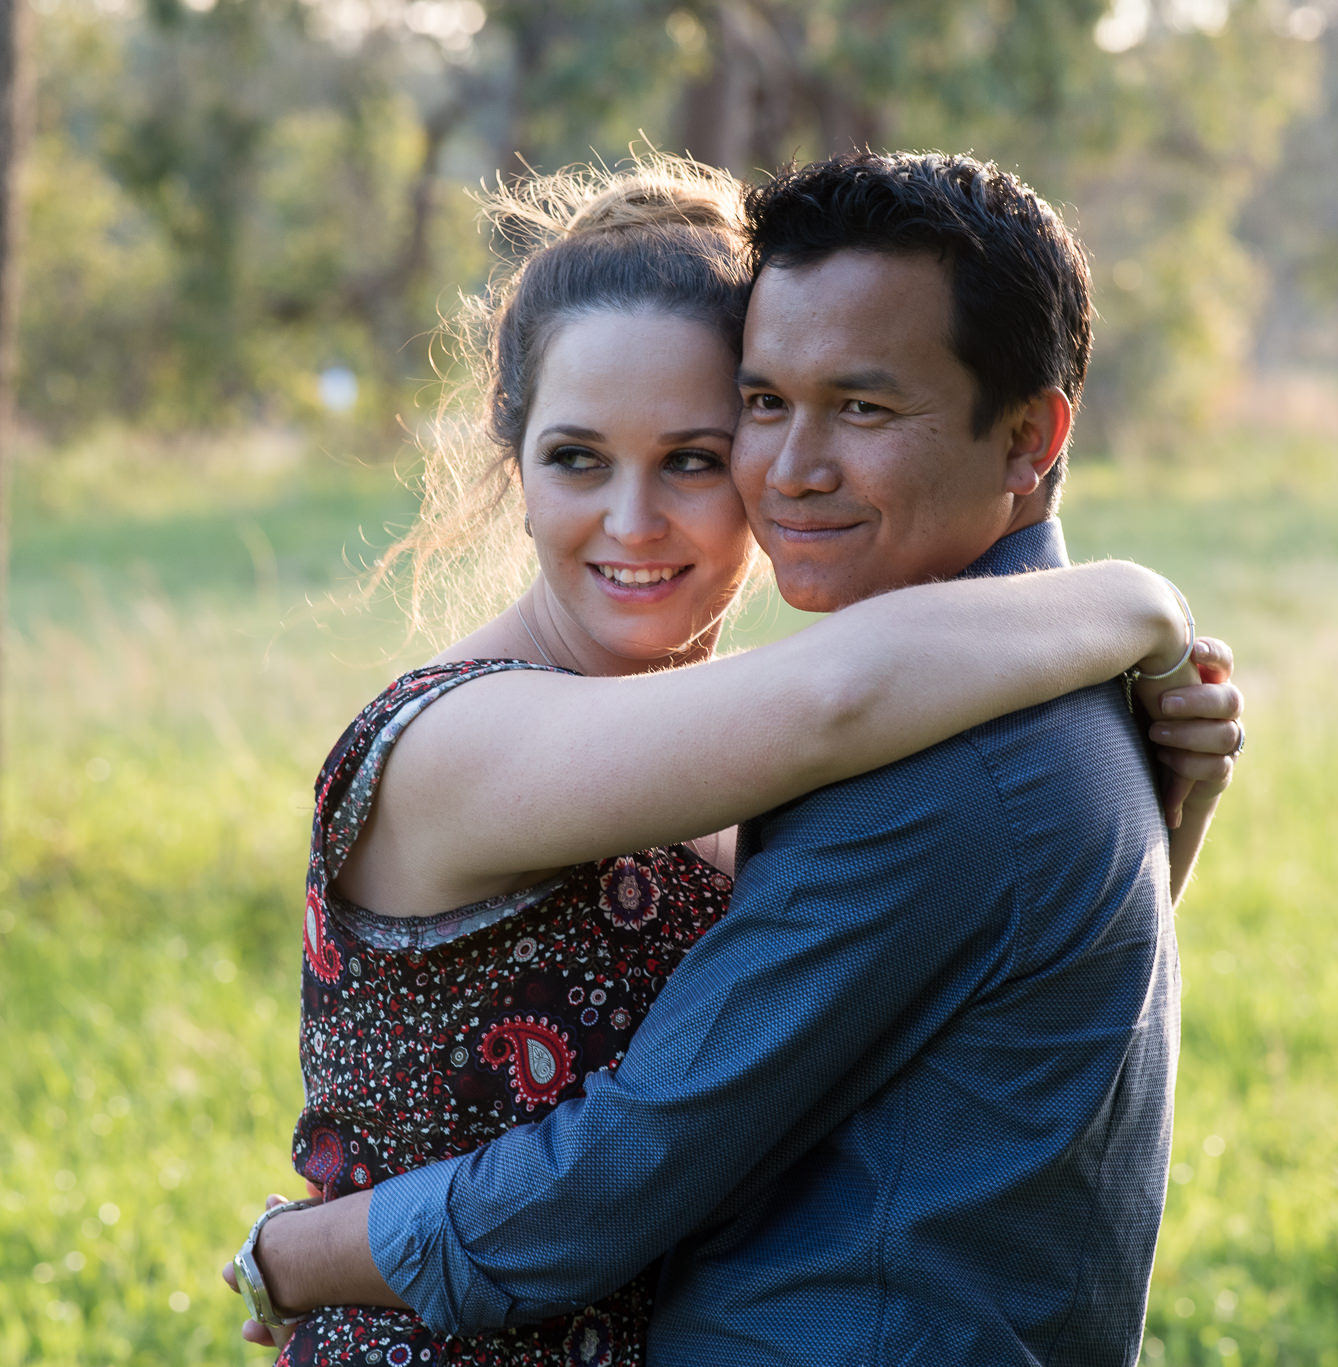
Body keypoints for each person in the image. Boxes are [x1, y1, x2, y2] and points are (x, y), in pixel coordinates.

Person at [227, 152, 1243, 1366]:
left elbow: (973, 987)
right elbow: (838, 704)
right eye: (577, 457)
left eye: (698, 453)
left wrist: (1177, 796)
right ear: (513, 462)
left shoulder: (843, 744)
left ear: (1027, 436)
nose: (635, 518)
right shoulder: (469, 739)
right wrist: (1138, 600)